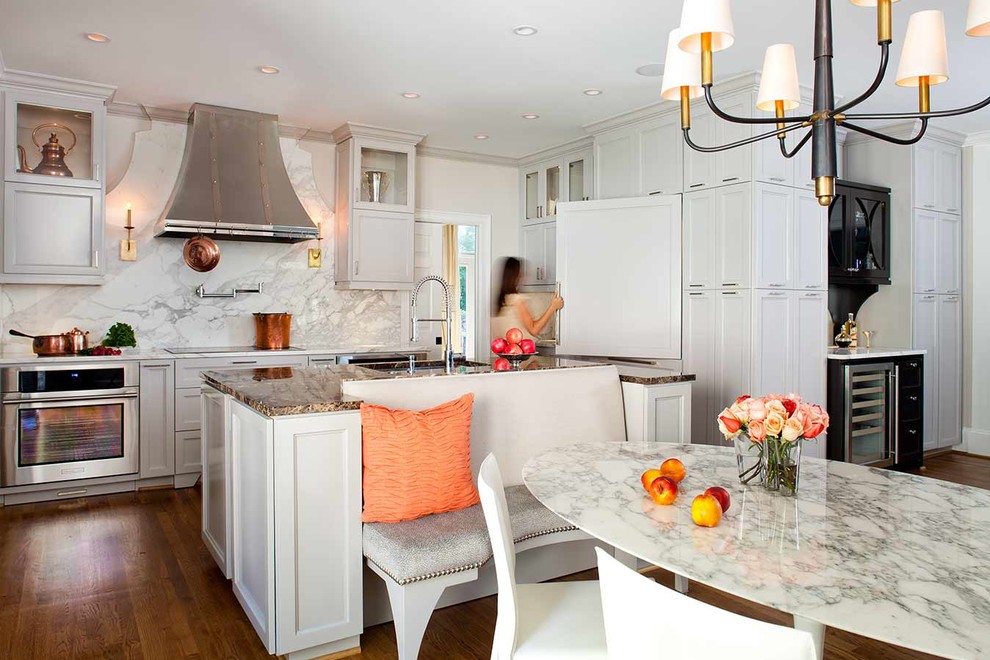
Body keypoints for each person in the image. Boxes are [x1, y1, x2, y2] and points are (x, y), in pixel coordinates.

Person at [492, 257, 564, 341]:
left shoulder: (500, 301)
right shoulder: (516, 300)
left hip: (504, 352)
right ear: (516, 275)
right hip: (519, 352)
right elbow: (533, 329)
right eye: (520, 272)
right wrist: (553, 307)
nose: (523, 274)